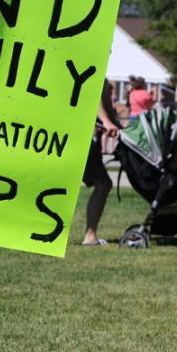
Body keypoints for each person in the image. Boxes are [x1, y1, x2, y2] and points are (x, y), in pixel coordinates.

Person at [82, 78, 120, 246]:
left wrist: (116, 125)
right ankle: (90, 236)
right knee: (103, 184)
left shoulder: (103, 78)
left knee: (103, 184)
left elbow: (106, 106)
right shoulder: (93, 70)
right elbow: (92, 93)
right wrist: (106, 121)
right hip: (76, 140)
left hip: (79, 139)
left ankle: (90, 235)